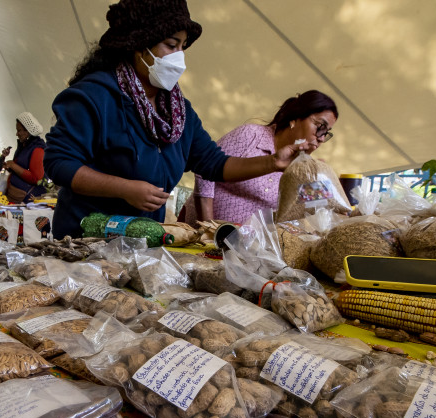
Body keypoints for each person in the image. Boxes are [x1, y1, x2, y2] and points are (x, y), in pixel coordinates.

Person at [44, 0, 311, 239]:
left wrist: (272, 162)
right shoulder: (93, 96)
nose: (179, 56)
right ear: (139, 44)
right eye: (171, 45)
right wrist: (124, 188)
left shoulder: (178, 111)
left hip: (142, 242)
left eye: (183, 47)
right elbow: (59, 163)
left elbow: (214, 163)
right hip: (85, 241)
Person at [182, 91, 343, 225]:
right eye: (320, 126)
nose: (321, 138)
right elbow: (205, 171)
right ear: (295, 118)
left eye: (327, 132)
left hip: (246, 248)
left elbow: (300, 206)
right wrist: (208, 226)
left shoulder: (302, 167)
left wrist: (321, 184)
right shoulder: (251, 135)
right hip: (202, 237)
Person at [3, 112, 47, 203]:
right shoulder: (25, 146)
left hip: (27, 201)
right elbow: (22, 168)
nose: (17, 134)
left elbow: (36, 178)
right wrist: (10, 167)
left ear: (27, 131)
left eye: (19, 130)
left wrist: (13, 165)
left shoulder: (38, 149)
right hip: (18, 198)